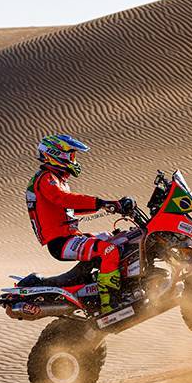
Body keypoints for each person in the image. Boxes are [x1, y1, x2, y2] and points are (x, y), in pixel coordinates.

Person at [25, 133, 133, 314]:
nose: (73, 160)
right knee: (109, 250)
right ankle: (110, 304)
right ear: (55, 154)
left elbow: (69, 208)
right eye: (71, 155)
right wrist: (100, 202)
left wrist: (108, 206)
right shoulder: (46, 178)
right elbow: (63, 199)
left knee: (115, 239)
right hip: (61, 242)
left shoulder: (55, 179)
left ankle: (120, 288)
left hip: (69, 237)